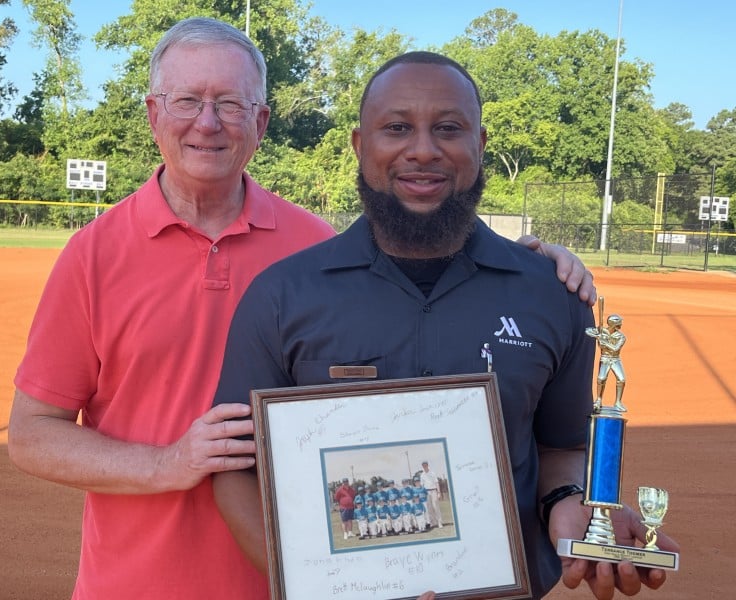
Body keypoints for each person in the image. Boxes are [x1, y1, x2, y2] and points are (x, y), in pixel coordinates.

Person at [7, 16, 594, 598]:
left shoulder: (314, 248)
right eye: (186, 100)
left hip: (308, 582)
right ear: (153, 113)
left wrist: (529, 268)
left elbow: (424, 264)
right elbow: (32, 434)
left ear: (260, 122)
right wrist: (167, 464)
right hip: (137, 584)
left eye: (231, 105)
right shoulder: (92, 255)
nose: (207, 123)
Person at [210, 51, 678, 600]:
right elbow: (234, 469)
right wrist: (325, 587)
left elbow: (562, 445)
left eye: (449, 129)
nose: (424, 150)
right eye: (398, 128)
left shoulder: (552, 294)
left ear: (479, 146)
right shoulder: (282, 295)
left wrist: (569, 501)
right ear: (361, 147)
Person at [585, 313, 627, 412]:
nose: (620, 325)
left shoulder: (621, 337)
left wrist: (605, 342)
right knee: (601, 379)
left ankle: (618, 402)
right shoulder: (602, 331)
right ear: (613, 324)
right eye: (619, 323)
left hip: (615, 359)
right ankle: (599, 400)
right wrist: (597, 335)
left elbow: (616, 349)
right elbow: (588, 331)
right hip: (605, 358)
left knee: (621, 379)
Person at [419, 460, 444, 528]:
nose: (424, 466)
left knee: (436, 507)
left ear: (427, 465)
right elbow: (421, 485)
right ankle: (433, 522)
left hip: (433, 491)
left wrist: (438, 492)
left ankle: (439, 522)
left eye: (425, 465)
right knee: (429, 508)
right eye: (423, 465)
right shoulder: (422, 475)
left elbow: (436, 483)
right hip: (426, 492)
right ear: (422, 466)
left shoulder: (432, 473)